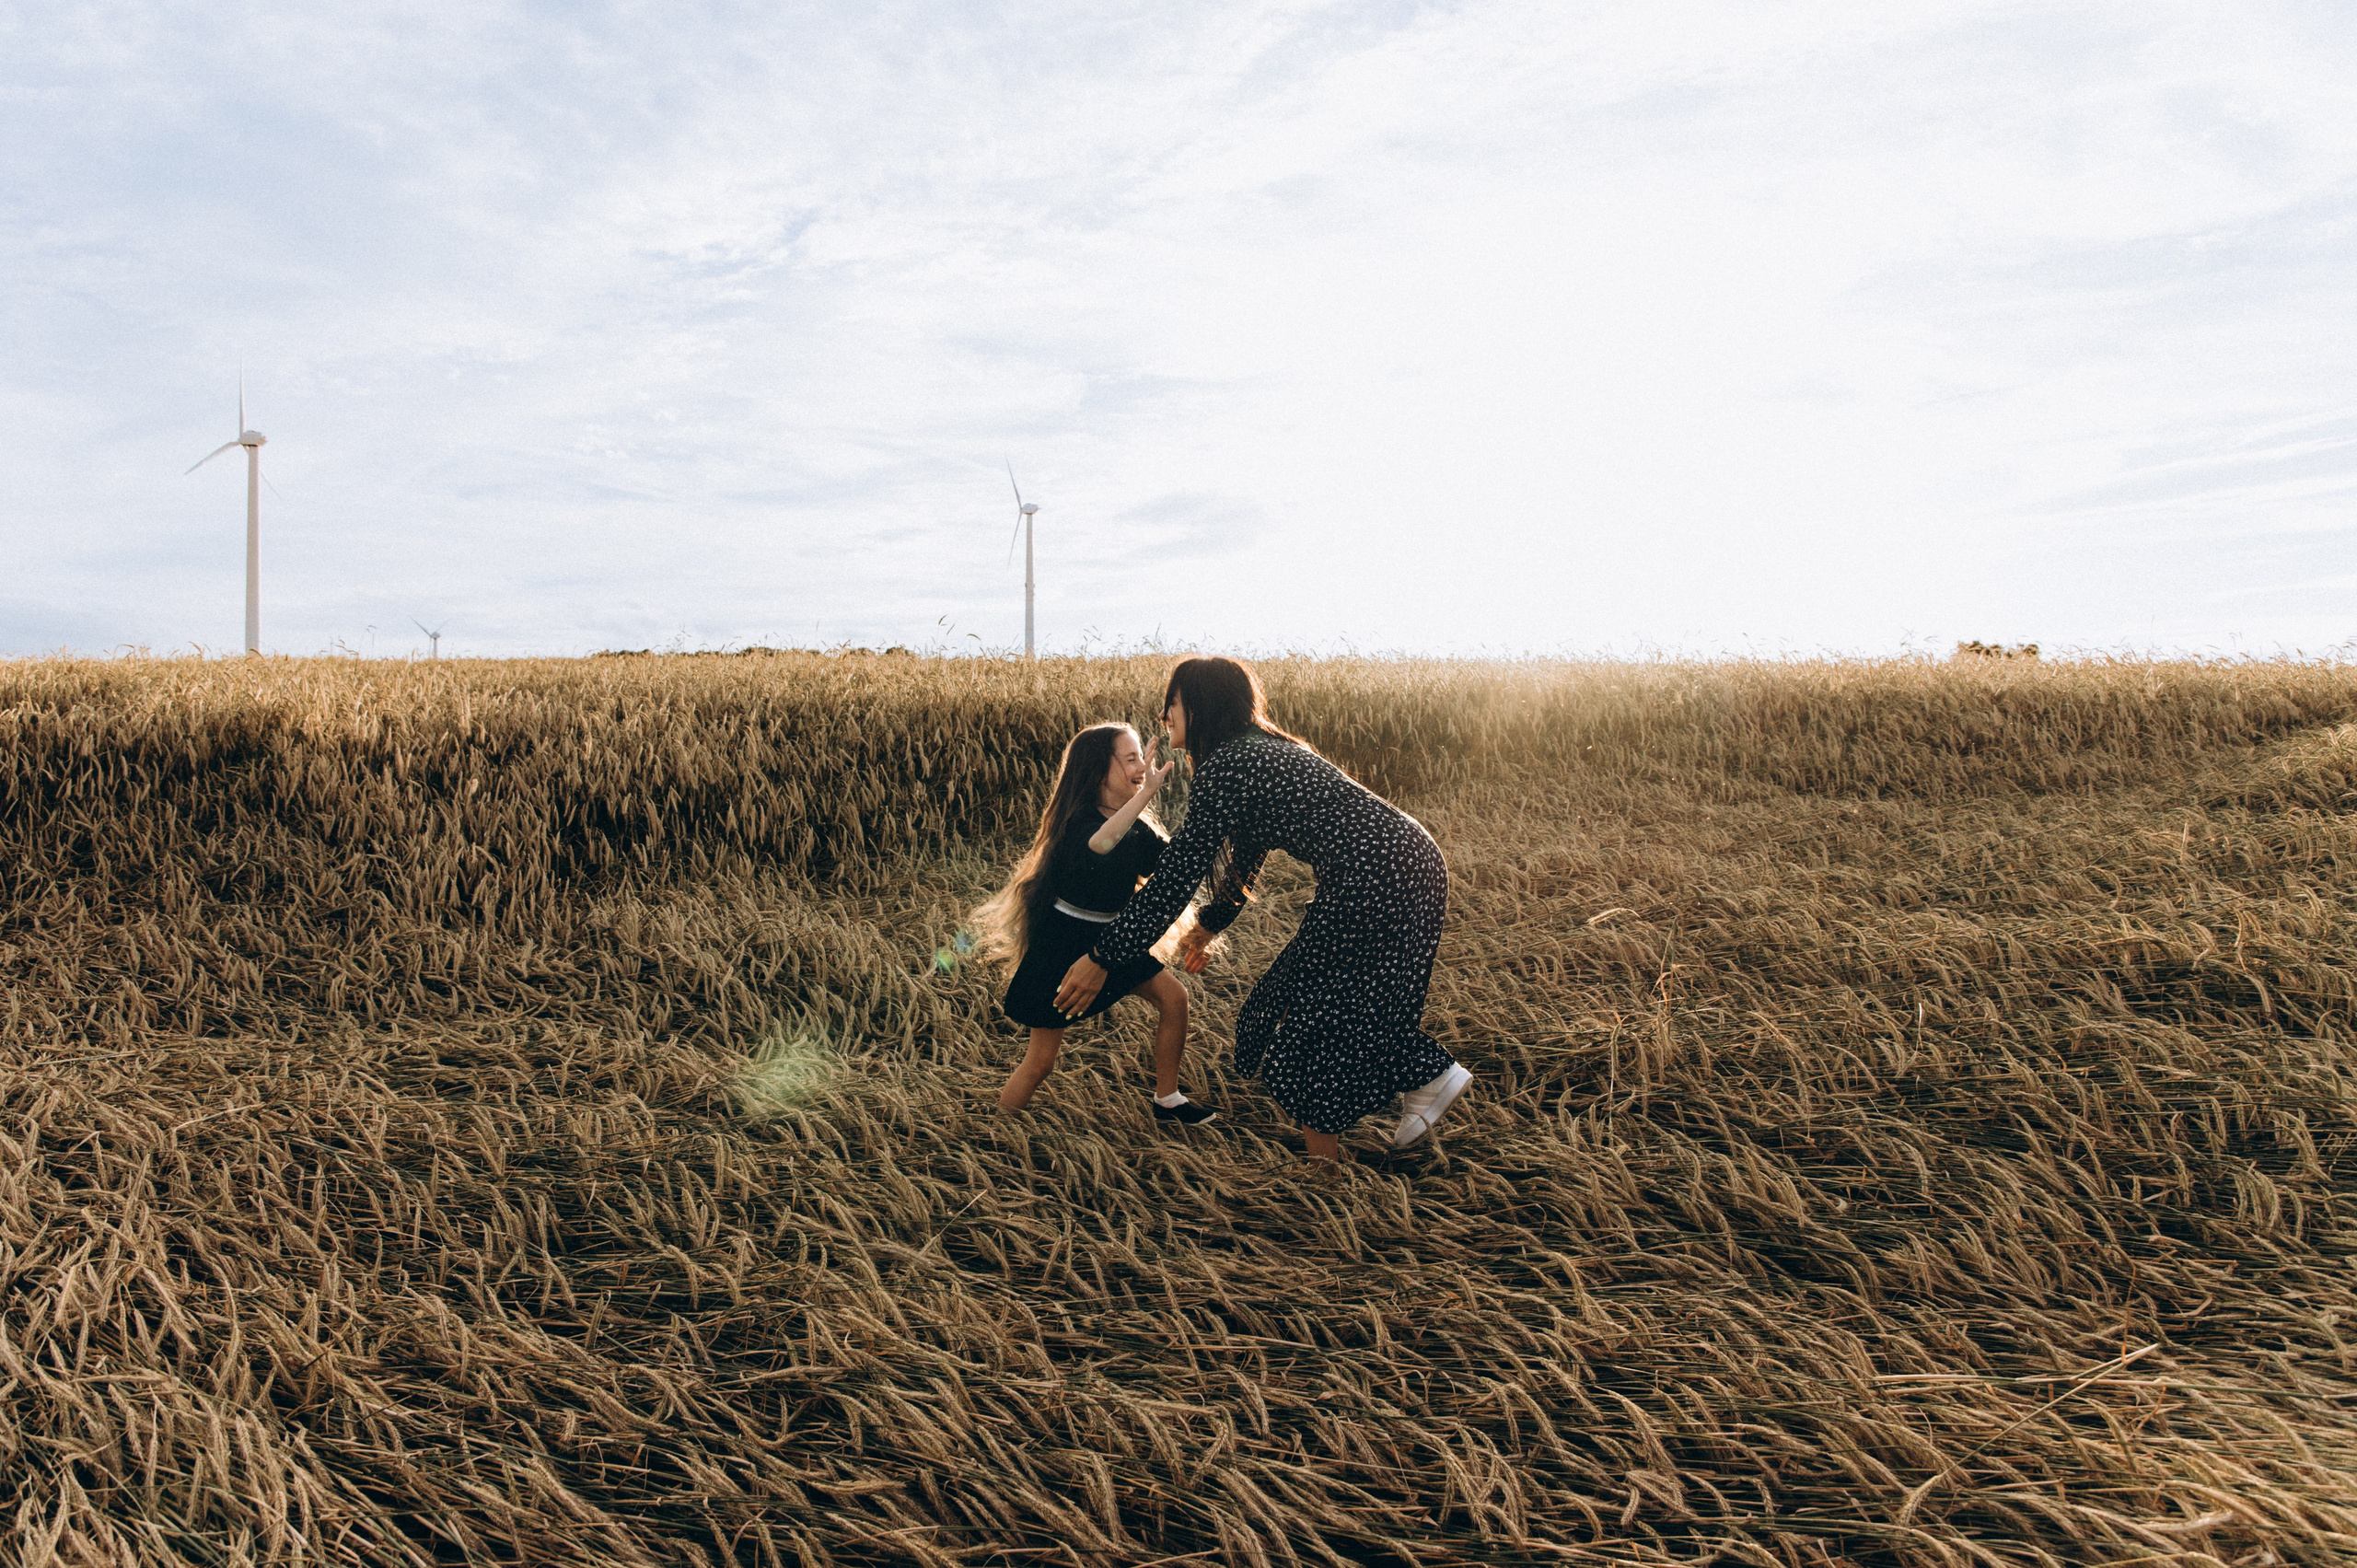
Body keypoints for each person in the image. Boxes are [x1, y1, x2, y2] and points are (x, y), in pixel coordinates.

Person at [1054, 656, 1471, 1162]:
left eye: (1175, 702)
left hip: (1376, 875)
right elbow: (1247, 857)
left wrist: (1104, 955)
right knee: (1315, 999)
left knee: (1312, 1020)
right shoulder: (1256, 753)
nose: (1166, 714)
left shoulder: (1230, 765)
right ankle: (1417, 1085)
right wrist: (1210, 925)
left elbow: (1174, 880)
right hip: (1408, 863)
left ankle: (1341, 1157)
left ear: (1202, 706)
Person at [974, 722, 1216, 1124]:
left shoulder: (1137, 829)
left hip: (1113, 941)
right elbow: (1102, 843)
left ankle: (1167, 1099)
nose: (1143, 766)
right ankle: (997, 1126)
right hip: (1063, 945)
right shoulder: (1078, 820)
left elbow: (1177, 865)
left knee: (1174, 1000)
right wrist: (1148, 794)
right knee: (1041, 1063)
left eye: (1142, 755)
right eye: (1131, 758)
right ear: (1097, 771)